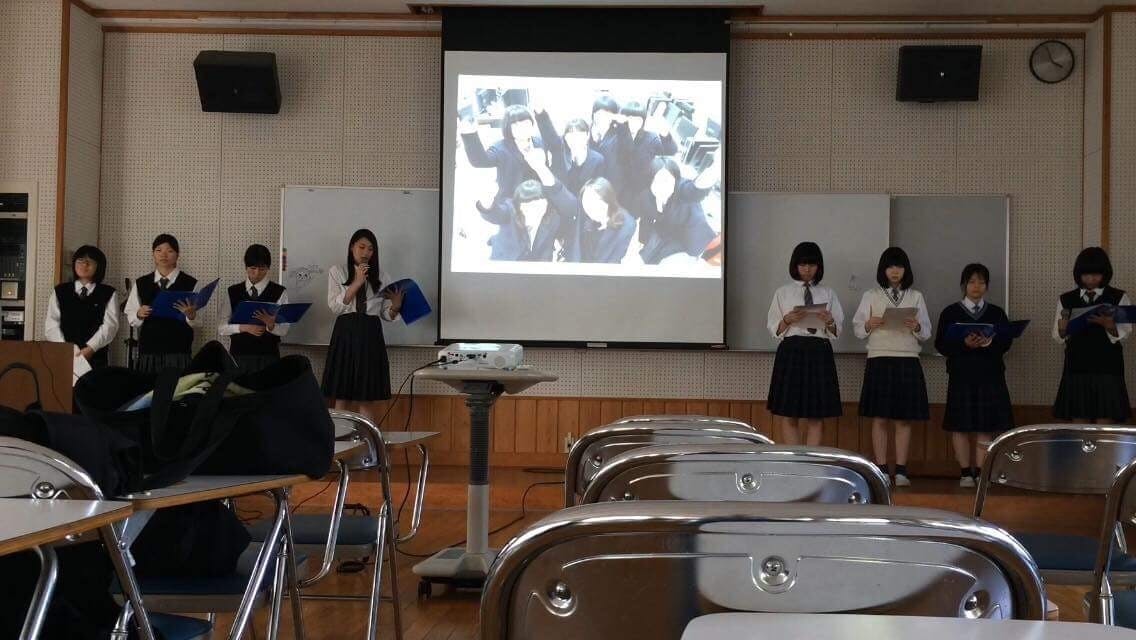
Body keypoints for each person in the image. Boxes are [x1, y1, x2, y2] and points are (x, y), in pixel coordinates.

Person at [853, 247, 932, 488]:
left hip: (907, 358)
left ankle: (901, 469)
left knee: (903, 419)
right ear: (883, 270)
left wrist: (916, 327)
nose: (895, 271)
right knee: (879, 417)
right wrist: (869, 324)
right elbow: (858, 329)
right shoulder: (871, 295)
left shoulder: (915, 296)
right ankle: (881, 469)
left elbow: (926, 332)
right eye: (890, 266)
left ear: (906, 270)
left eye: (899, 266)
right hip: (879, 357)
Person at [933, 263, 1015, 488]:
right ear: (964, 285)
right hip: (961, 374)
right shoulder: (950, 313)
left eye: (981, 282)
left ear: (987, 286)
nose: (976, 286)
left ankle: (980, 471)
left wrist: (989, 342)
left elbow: (1006, 342)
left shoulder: (996, 313)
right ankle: (965, 473)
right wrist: (964, 344)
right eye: (971, 282)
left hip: (990, 374)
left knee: (985, 426)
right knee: (960, 425)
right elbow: (940, 344)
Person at [766, 241, 844, 446]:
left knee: (816, 414)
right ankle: (794, 460)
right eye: (802, 264)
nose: (807, 269)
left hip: (819, 351)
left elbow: (837, 330)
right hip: (791, 351)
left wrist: (830, 321)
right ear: (795, 266)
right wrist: (786, 320)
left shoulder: (828, 293)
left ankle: (811, 460)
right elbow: (773, 328)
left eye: (811, 264)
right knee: (788, 413)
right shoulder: (783, 292)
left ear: (819, 266)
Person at [322, 229, 404, 417]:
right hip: (346, 332)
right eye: (361, 247)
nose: (366, 252)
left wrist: (396, 306)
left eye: (370, 249)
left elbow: (386, 314)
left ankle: (367, 436)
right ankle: (340, 435)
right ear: (352, 247)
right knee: (341, 395)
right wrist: (357, 282)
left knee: (366, 397)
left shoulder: (382, 276)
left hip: (370, 333)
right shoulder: (337, 271)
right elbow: (335, 306)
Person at [1053, 246, 1131, 424]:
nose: (1091, 279)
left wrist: (1109, 326)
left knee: (1105, 424)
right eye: (1086, 275)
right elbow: (1058, 336)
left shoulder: (1119, 297)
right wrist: (1063, 329)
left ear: (1105, 274)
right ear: (1078, 275)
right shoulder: (1066, 299)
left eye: (1096, 274)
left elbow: (1126, 333)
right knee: (1080, 424)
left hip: (1108, 367)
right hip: (1076, 366)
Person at [124, 234, 199, 373]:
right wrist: (138, 314)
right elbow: (131, 314)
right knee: (148, 386)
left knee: (177, 386)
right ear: (153, 254)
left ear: (177, 255)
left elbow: (199, 320)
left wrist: (191, 316)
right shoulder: (141, 283)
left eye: (169, 251)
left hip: (179, 352)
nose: (164, 255)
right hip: (149, 352)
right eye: (158, 250)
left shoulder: (191, 283)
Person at [631, 155, 719, 265]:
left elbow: (696, 189)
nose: (662, 187)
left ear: (676, 180)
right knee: (647, 258)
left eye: (667, 181)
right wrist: (642, 239)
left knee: (670, 264)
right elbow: (646, 219)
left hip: (688, 234)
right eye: (656, 181)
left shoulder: (682, 189)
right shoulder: (645, 196)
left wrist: (716, 166)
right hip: (666, 229)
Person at [44, 245, 119, 370]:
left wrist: (90, 349)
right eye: (80, 260)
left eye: (90, 261)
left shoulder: (108, 293)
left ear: (99, 266)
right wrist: (67, 349)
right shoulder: (60, 291)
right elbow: (51, 324)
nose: (84, 265)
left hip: (95, 357)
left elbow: (110, 326)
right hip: (64, 355)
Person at [218, 244, 289, 372]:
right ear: (246, 267)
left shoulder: (279, 292)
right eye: (253, 268)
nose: (257, 273)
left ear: (268, 268)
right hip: (239, 357)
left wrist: (271, 325)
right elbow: (221, 327)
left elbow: (284, 329)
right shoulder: (233, 292)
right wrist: (244, 327)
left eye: (262, 269)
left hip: (268, 357)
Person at [459, 104, 543, 205]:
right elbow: (480, 161)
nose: (522, 128)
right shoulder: (500, 148)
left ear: (532, 124)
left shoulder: (540, 142)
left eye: (526, 123)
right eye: (516, 125)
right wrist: (469, 134)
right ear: (508, 128)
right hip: (512, 199)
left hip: (539, 197)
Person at [535, 109, 606, 195]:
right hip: (561, 199)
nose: (575, 139)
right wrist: (540, 113)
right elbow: (549, 134)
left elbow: (600, 188)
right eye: (570, 135)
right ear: (565, 137)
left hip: (587, 200)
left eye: (579, 135)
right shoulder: (559, 153)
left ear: (587, 135)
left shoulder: (598, 159)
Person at [619, 100, 679, 201]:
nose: (633, 123)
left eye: (638, 119)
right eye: (630, 118)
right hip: (621, 186)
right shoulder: (618, 135)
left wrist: (665, 135)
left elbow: (670, 151)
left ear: (643, 121)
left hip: (642, 188)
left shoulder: (650, 138)